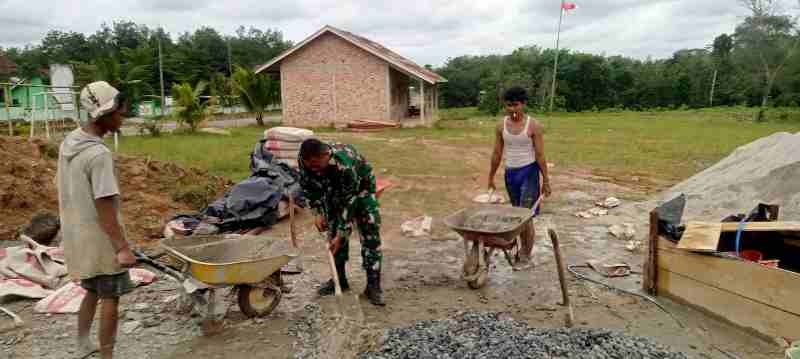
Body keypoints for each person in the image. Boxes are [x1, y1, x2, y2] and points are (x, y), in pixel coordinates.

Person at [57, 81, 135, 359]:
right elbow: (104, 205)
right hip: (102, 240)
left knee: (91, 289)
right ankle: (107, 355)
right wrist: (122, 247)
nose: (123, 116)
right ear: (105, 113)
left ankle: (82, 343)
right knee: (110, 297)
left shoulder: (70, 142)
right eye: (119, 112)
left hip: (78, 235)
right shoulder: (98, 154)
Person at [298, 139, 385, 306]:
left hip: (361, 191)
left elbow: (349, 202)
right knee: (333, 237)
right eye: (310, 166)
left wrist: (342, 231)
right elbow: (308, 186)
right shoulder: (305, 159)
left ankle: (373, 285)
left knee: (370, 233)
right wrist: (317, 212)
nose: (313, 169)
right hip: (333, 191)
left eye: (317, 165)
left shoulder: (344, 164)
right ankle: (339, 280)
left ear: (326, 155)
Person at [487, 86, 552, 269]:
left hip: (529, 173)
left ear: (523, 104)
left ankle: (526, 255)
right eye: (508, 105)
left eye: (515, 105)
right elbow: (496, 153)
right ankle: (519, 247)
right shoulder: (501, 126)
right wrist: (491, 177)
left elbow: (540, 155)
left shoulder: (534, 126)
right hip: (511, 173)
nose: (511, 109)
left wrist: (545, 180)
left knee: (526, 216)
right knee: (517, 215)